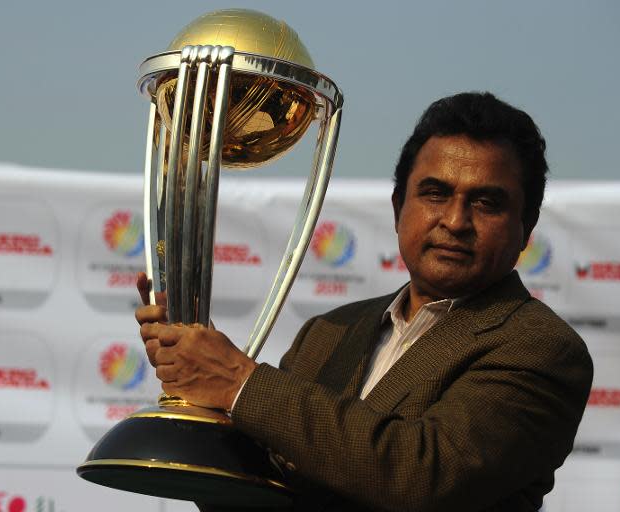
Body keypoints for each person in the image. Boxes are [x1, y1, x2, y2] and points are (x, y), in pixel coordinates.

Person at [136, 92, 593, 512]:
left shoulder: (541, 347)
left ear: (526, 229)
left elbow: (421, 475)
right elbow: (257, 492)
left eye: (486, 203)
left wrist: (238, 381)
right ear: (398, 208)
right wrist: (198, 393)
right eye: (435, 193)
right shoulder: (328, 332)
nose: (455, 221)